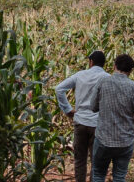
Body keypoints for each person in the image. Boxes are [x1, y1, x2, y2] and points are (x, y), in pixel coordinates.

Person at [54, 51, 110, 182]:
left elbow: (59, 89)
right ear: (104, 64)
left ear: (90, 62)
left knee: (80, 160)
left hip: (80, 122)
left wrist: (68, 109)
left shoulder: (80, 75)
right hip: (98, 124)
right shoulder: (108, 78)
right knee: (96, 161)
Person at [92, 54, 134, 182]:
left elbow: (93, 106)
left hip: (103, 139)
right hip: (125, 140)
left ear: (114, 66)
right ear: (130, 70)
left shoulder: (102, 82)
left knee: (99, 175)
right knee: (119, 177)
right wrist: (131, 116)